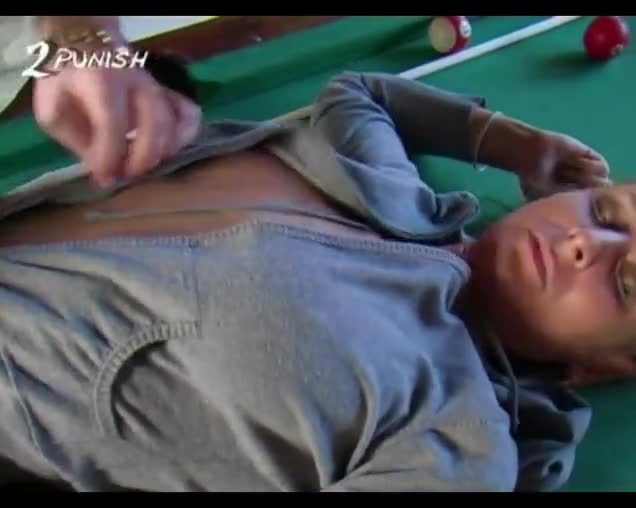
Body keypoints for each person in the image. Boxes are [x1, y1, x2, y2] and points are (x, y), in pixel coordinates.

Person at [0, 16, 632, 493]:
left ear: (603, 366)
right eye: (605, 213)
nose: (585, 244)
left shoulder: (458, 442)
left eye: (628, 282)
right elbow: (358, 94)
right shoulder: (392, 190)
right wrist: (516, 145)